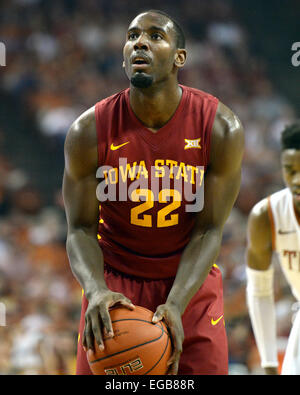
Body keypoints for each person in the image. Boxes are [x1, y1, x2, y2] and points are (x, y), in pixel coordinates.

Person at [63, 9, 244, 375]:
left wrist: (176, 303)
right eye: (132, 37)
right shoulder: (89, 131)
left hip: (189, 282)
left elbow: (209, 230)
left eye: (154, 36)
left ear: (180, 58)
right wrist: (95, 291)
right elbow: (80, 229)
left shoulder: (220, 127)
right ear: (124, 55)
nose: (139, 42)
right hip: (113, 286)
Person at [246, 121, 300, 375]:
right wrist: (268, 362)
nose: (296, 179)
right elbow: (259, 291)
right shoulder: (266, 215)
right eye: (290, 170)